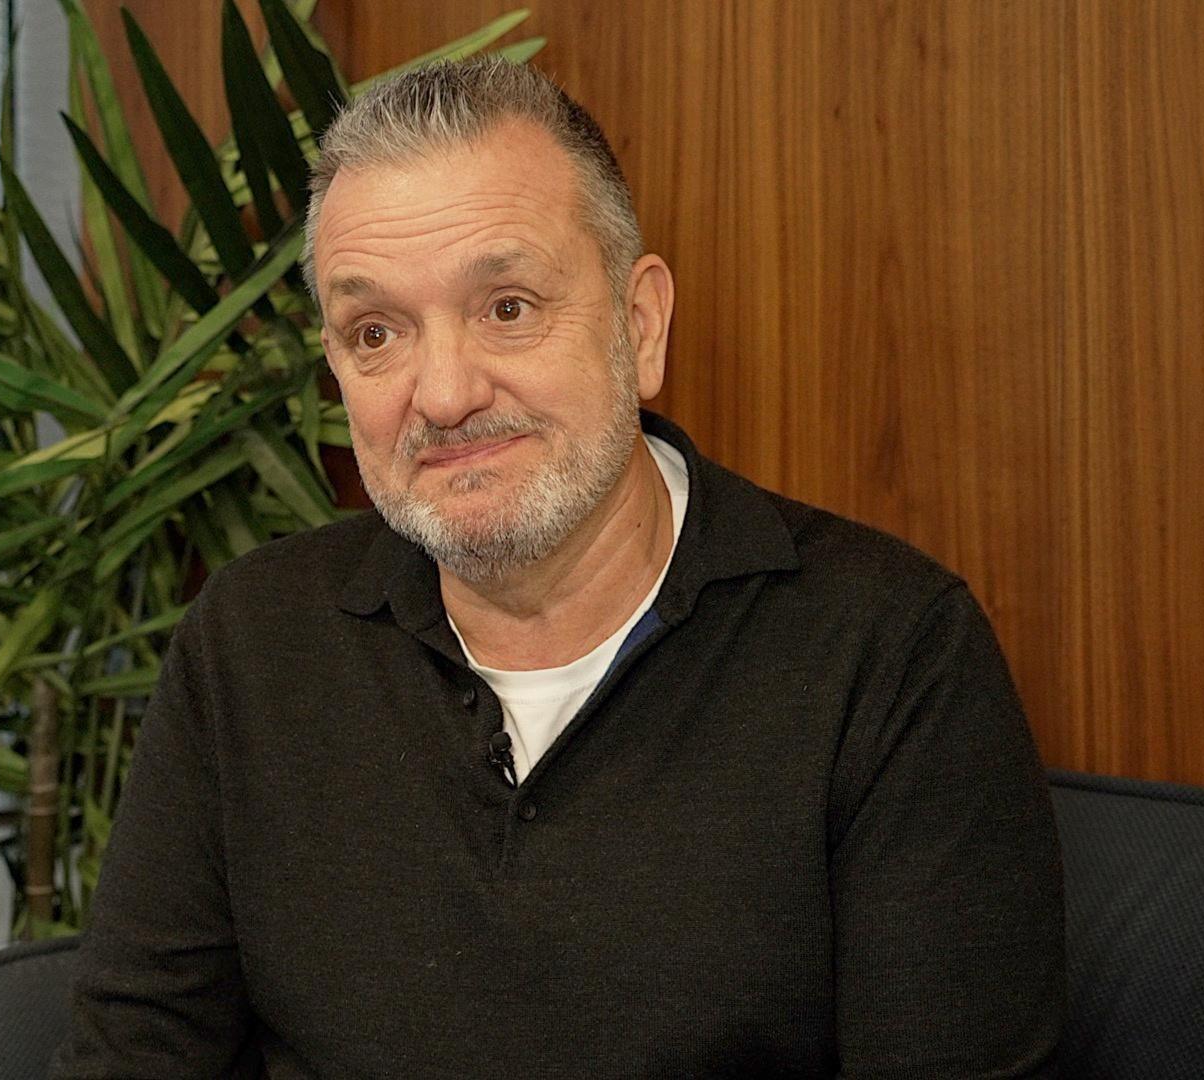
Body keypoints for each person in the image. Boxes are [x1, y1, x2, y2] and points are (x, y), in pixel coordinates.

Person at [52, 58, 1064, 1079]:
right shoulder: (253, 642)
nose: (442, 393)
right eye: (376, 332)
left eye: (507, 307)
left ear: (641, 324)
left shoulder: (890, 653)